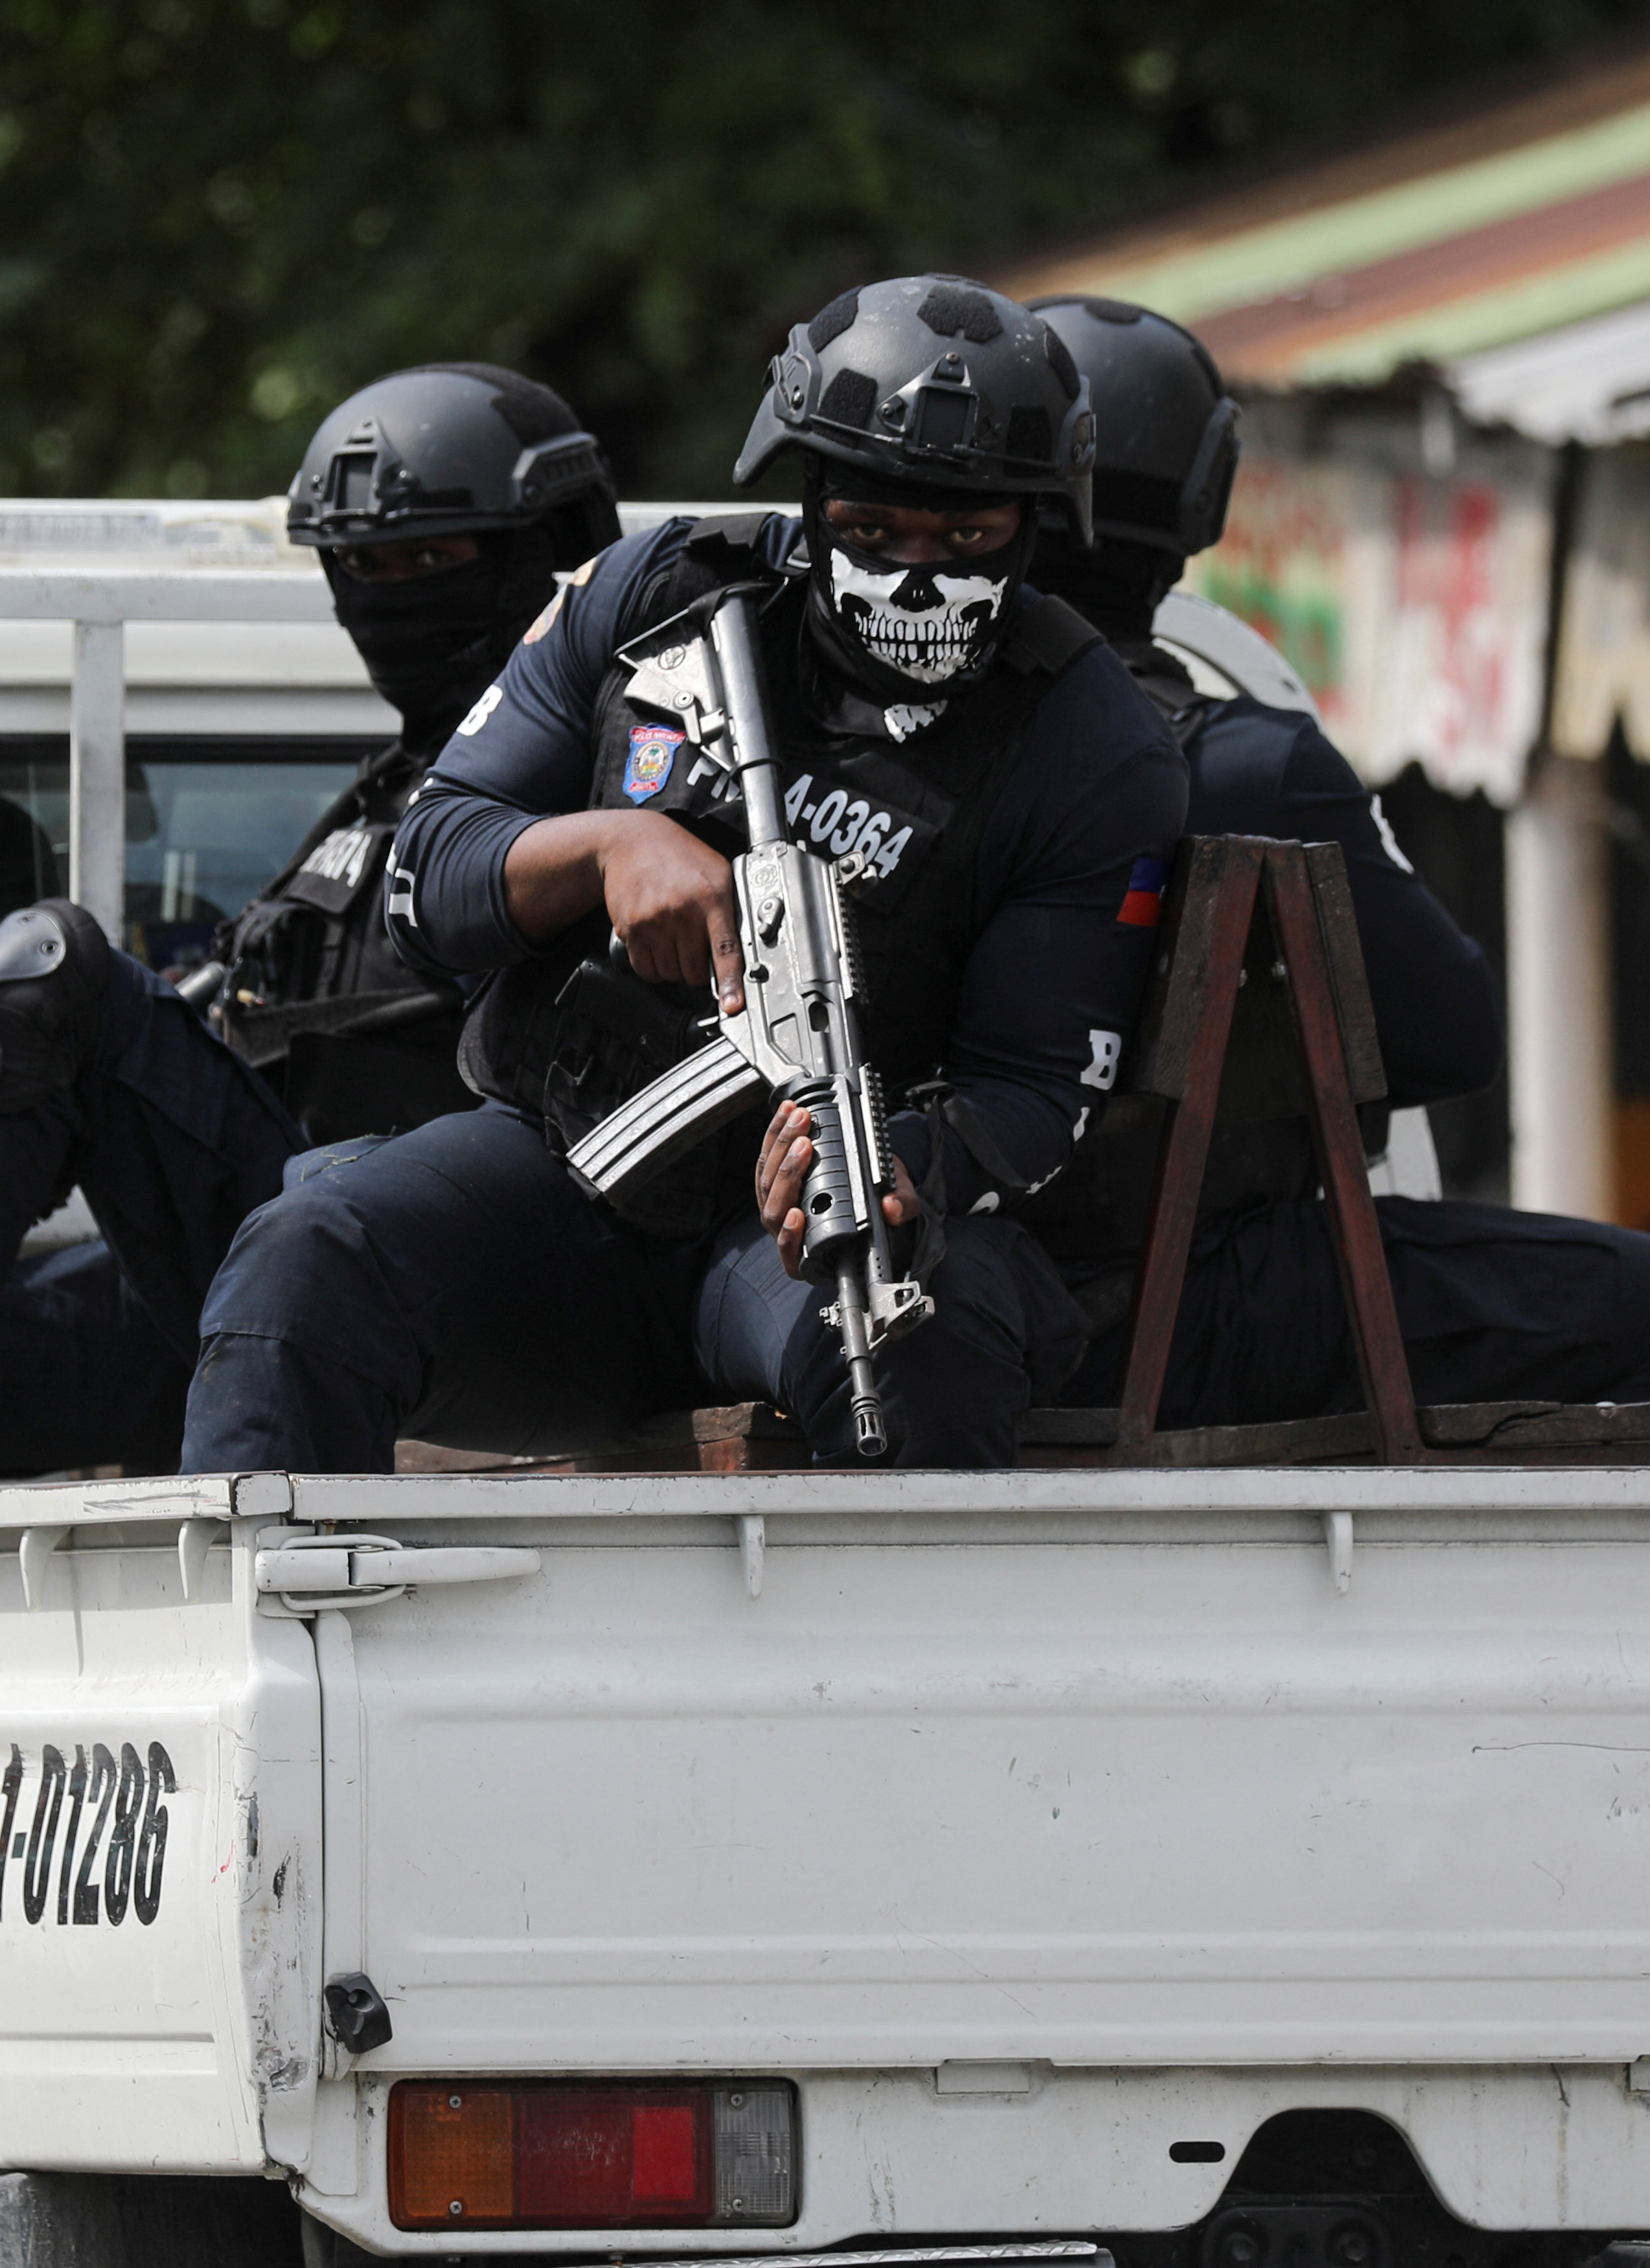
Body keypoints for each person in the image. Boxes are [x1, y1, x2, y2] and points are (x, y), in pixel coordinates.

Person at [180, 278, 1193, 1470]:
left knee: (922, 1338)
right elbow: (427, 880)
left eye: (966, 539)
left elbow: (1033, 1088)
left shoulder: (1086, 740)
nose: (916, 570)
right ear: (810, 495)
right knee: (305, 1256)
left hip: (793, 1245)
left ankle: (901, 1652)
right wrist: (605, 848)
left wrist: (898, 1156)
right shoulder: (659, 600)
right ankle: (291, 1633)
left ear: (1034, 525)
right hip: (562, 1185)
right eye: (872, 533)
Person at [0, 367, 623, 1490]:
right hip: (259, 1256)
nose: (390, 596)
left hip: (417, 1268)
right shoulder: (395, 790)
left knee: (46, 974)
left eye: (430, 561)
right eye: (360, 567)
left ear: (550, 549)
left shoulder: (590, 787)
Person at [1004, 294, 1650, 1424]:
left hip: (940, 1308)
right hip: (1180, 1311)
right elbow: (1450, 1038)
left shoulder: (865, 738)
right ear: (1204, 502)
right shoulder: (1248, 763)